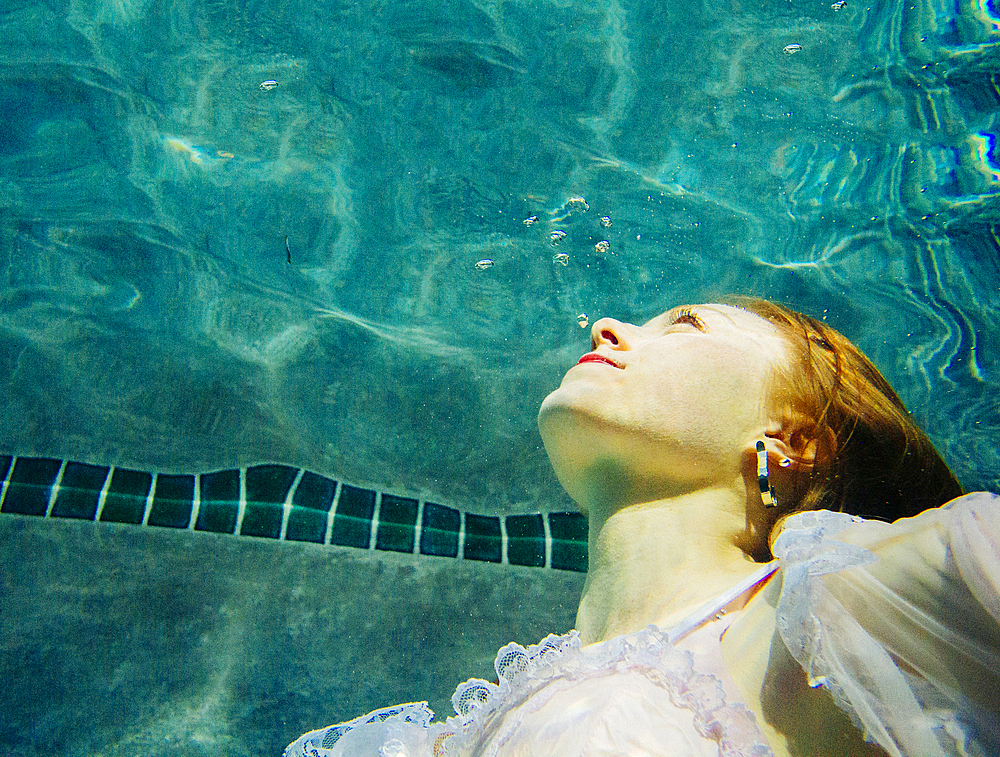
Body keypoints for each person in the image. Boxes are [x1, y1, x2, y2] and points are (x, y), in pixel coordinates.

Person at [284, 300, 1000, 757]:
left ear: (791, 444)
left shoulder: (817, 619)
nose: (607, 326)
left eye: (685, 323)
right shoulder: (449, 737)